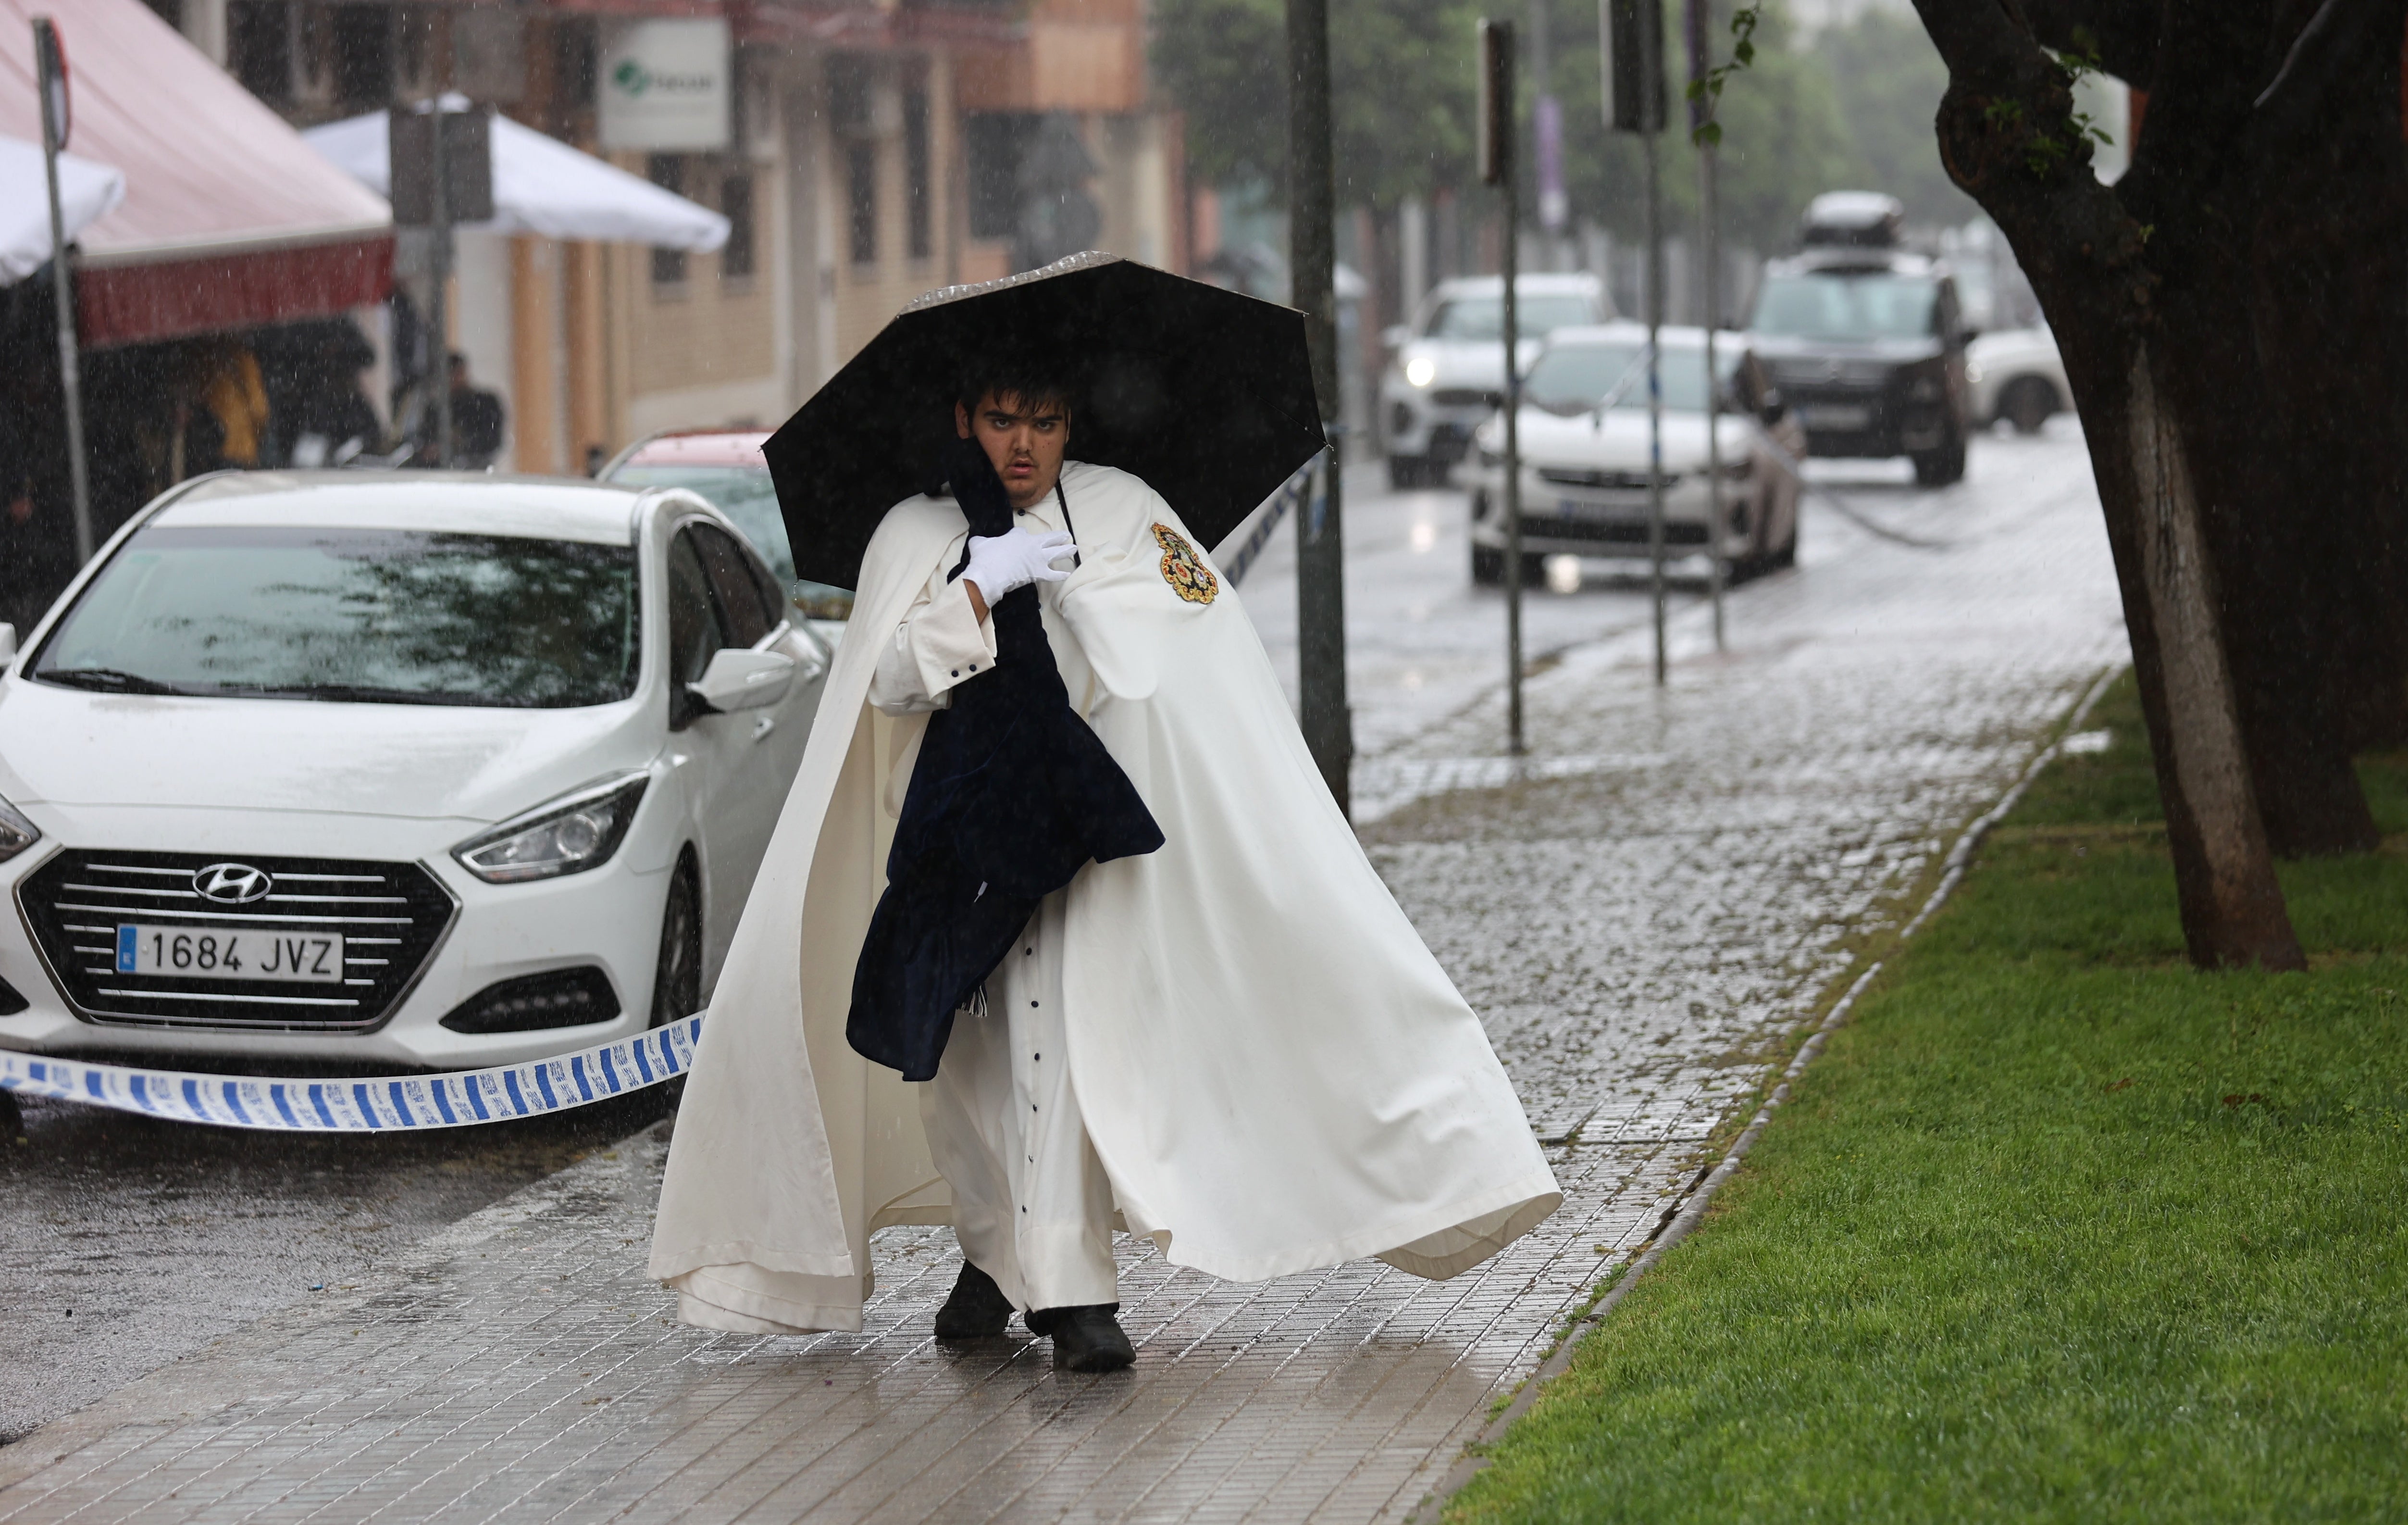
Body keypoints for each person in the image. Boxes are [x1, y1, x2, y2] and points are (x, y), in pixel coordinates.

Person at [648, 365, 1560, 1372]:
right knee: (965, 1074)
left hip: (1091, 835)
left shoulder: (1124, 509)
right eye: (1002, 420)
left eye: (1044, 421)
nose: (1023, 443)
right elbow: (892, 682)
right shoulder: (914, 530)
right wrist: (979, 592)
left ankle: (1073, 1289)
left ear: (1070, 422)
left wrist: (1080, 602)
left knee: (1062, 1048)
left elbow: (1187, 650)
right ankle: (995, 1256)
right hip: (963, 840)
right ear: (962, 418)